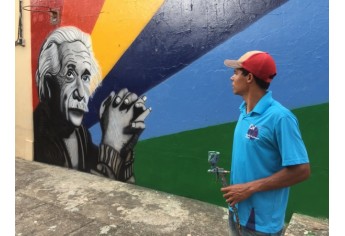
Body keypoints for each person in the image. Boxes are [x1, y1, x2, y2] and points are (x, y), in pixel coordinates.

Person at [33, 26, 151, 183]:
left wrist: (123, 147)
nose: (81, 93)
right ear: (48, 85)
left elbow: (120, 186)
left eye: (85, 77)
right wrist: (112, 142)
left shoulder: (80, 133)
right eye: (69, 74)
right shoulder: (38, 134)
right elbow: (94, 195)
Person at [220, 51, 310, 235]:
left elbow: (302, 170)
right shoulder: (244, 111)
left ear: (249, 77)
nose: (232, 77)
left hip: (260, 224)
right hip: (237, 211)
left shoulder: (281, 118)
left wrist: (249, 188)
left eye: (236, 72)